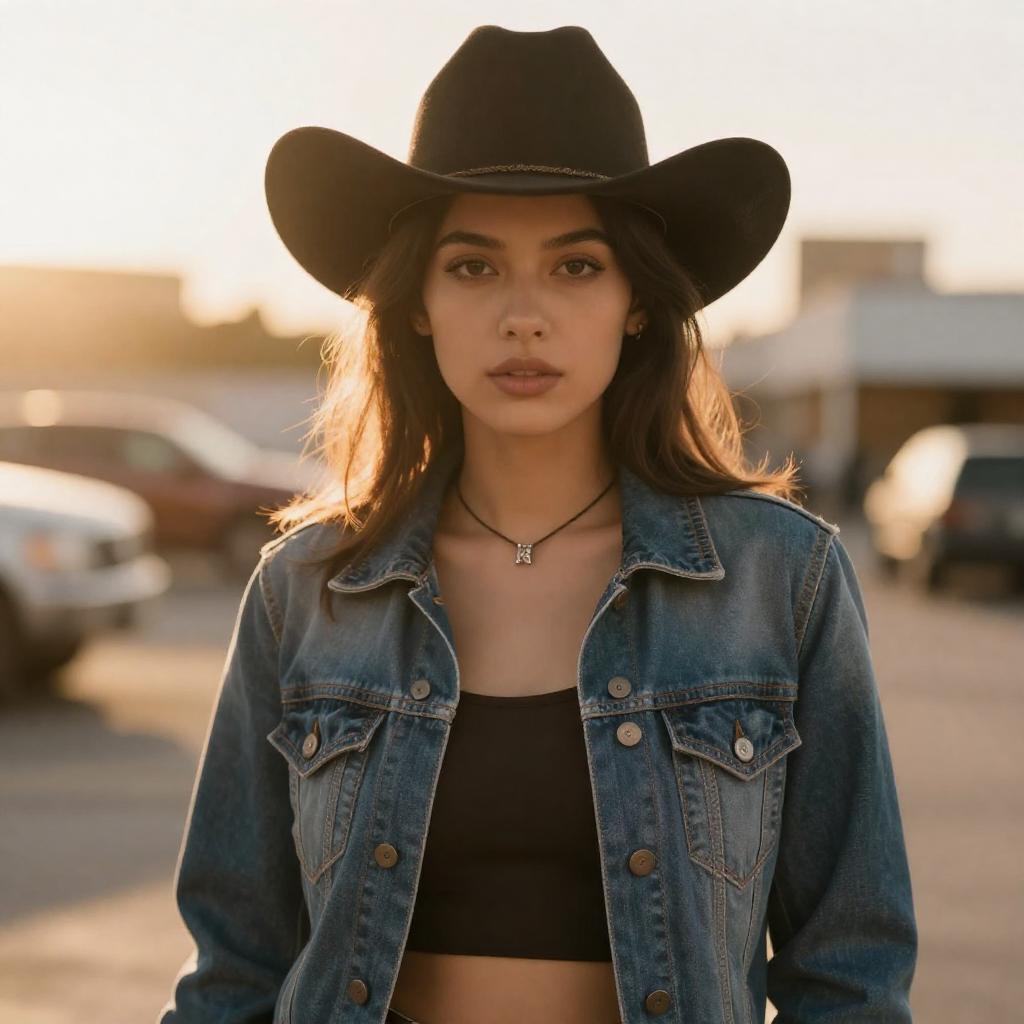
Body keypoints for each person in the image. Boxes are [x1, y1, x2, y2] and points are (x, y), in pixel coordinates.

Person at [158, 24, 917, 1024]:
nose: (524, 315)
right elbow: (233, 973)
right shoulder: (306, 589)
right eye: (474, 267)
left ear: (636, 301)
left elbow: (849, 975)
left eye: (576, 267)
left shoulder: (780, 578)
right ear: (418, 302)